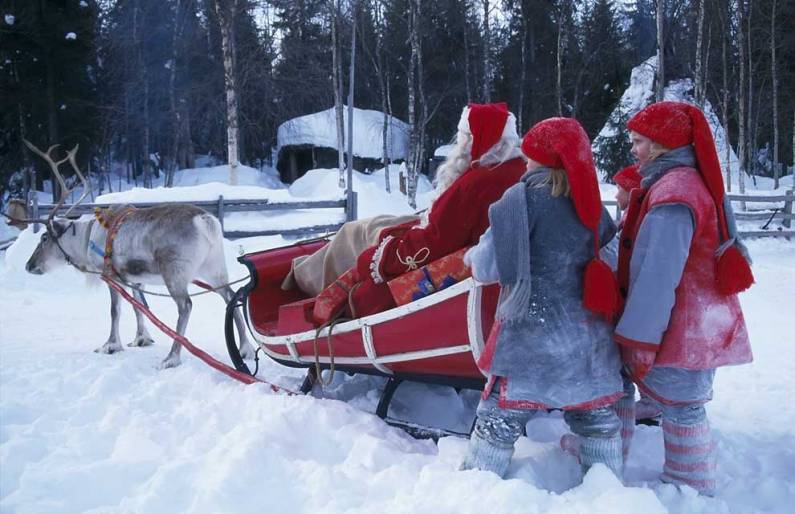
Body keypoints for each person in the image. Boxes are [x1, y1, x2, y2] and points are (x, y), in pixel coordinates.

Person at [459, 117, 624, 480]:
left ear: (538, 159)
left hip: (529, 339)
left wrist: (470, 256)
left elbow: (486, 268)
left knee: (499, 419)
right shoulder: (591, 206)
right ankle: (610, 491)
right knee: (597, 420)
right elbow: (609, 261)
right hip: (586, 342)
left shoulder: (516, 203)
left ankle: (477, 489)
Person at [614, 101, 753, 496]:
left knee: (681, 403)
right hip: (691, 317)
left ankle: (689, 483)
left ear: (661, 144)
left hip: (680, 322)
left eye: (639, 142)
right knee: (673, 397)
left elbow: (657, 274)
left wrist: (639, 339)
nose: (634, 150)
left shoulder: (675, 193)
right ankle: (620, 450)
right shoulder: (680, 182)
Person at [350, 102, 527, 317]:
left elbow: (435, 241)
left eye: (463, 136)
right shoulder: (518, 169)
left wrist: (382, 257)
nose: (460, 143)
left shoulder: (477, 182)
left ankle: (305, 286)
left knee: (359, 256)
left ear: (475, 138)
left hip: (460, 273)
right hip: (492, 267)